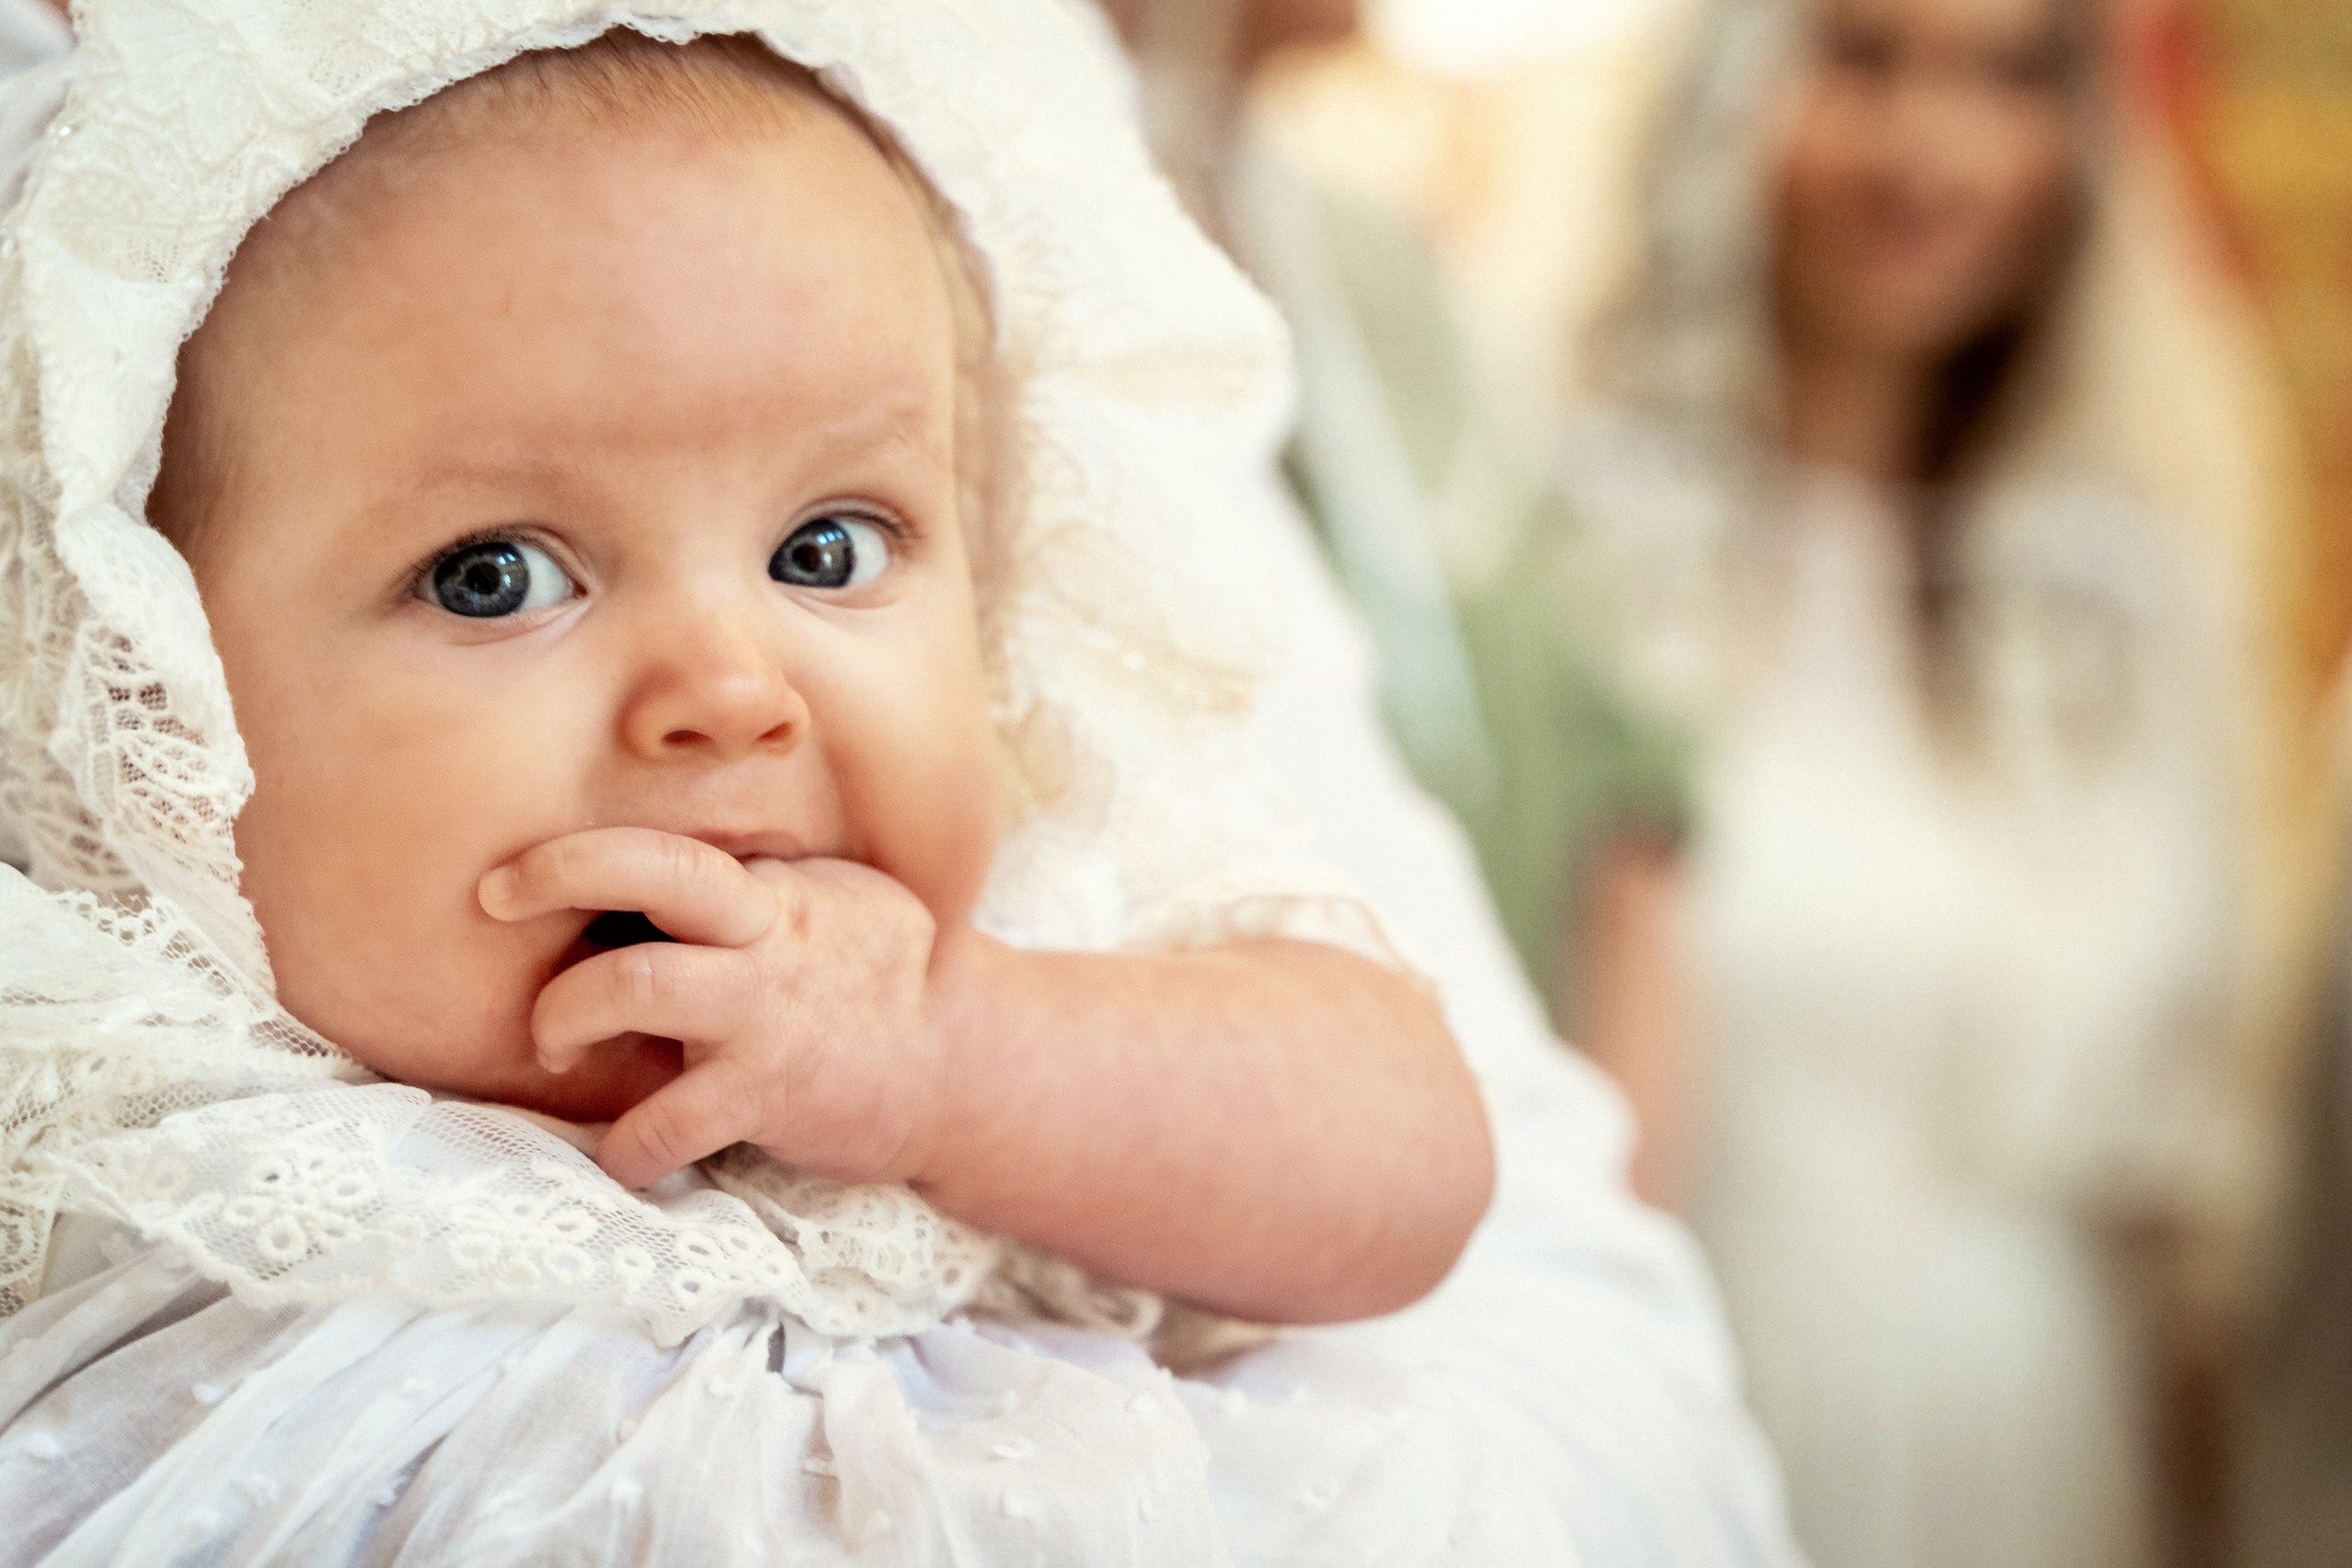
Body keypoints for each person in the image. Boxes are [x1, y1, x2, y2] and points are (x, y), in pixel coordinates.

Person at [0, 2, 1799, 1562]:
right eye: (497, 574)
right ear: (158, 700)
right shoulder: (143, 1100)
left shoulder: (1043, 925)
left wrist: (960, 1049)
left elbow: (1411, 1159)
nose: (727, 689)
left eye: (830, 545)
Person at [1569, 0, 2256, 1561]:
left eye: (2006, 78)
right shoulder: (1587, 558)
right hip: (1711, 1403)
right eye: (1865, 58)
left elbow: (2187, 1166)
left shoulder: (2134, 598)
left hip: (2053, 1452)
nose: (1929, 150)